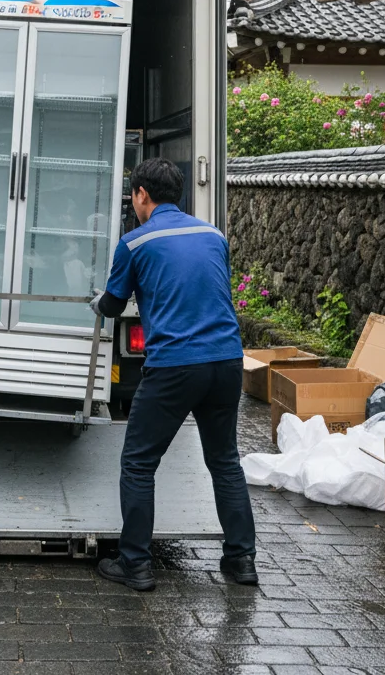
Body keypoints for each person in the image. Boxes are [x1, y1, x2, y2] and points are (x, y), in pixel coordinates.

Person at [90, 157, 257, 591]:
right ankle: (242, 562)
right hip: (226, 360)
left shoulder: (134, 242)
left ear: (141, 195)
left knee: (139, 463)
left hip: (175, 365)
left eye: (133, 195)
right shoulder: (214, 234)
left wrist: (96, 302)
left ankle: (136, 565)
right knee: (224, 461)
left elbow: (112, 304)